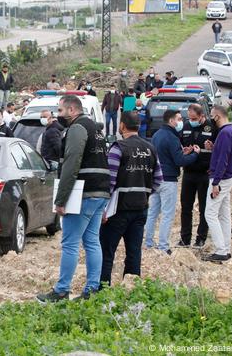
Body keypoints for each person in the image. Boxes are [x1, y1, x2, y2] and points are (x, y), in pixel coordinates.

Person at [37, 95, 110, 302]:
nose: (58, 115)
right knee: (92, 242)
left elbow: (71, 163)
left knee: (70, 243)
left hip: (83, 193)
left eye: (60, 111)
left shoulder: (78, 128)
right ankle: (92, 290)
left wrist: (60, 199)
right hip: (100, 192)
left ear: (71, 110)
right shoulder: (97, 129)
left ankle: (61, 290)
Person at [100, 112, 163, 285]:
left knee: (106, 252)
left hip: (117, 211)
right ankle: (132, 291)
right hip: (141, 209)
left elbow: (109, 182)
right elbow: (159, 179)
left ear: (122, 126)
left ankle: (102, 290)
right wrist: (144, 194)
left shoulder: (118, 148)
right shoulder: (150, 148)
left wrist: (103, 209)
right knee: (134, 253)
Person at [145, 110, 199, 254]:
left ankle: (148, 243)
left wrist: (183, 152)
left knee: (152, 213)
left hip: (156, 178)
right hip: (168, 180)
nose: (181, 122)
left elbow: (167, 155)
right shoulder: (172, 137)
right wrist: (194, 154)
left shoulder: (156, 135)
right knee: (167, 214)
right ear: (171, 121)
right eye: (179, 119)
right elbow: (179, 161)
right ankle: (163, 246)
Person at [202, 106, 232, 263]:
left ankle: (220, 250)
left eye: (212, 116)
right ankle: (226, 248)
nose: (211, 119)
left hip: (221, 179)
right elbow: (225, 153)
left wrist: (216, 182)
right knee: (224, 214)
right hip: (229, 177)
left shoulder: (224, 133)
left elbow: (222, 160)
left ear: (218, 116)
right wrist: (214, 148)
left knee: (210, 213)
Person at [178, 104, 216, 248]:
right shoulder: (186, 126)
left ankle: (201, 238)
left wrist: (211, 148)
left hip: (204, 173)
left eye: (194, 118)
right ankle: (185, 238)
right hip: (189, 172)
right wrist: (184, 151)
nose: (191, 120)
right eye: (189, 117)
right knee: (185, 207)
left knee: (204, 208)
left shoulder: (211, 127)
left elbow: (217, 149)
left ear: (202, 116)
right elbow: (180, 144)